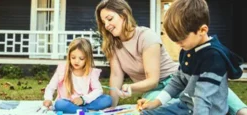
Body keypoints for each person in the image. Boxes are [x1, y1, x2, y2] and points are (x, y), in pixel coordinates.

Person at [95, 0, 247, 115]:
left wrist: (132, 88)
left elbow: (202, 95)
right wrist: (112, 108)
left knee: (210, 87)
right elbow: (116, 75)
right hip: (166, 91)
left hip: (176, 84)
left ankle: (241, 110)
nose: (106, 25)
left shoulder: (146, 36)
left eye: (109, 18)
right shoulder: (187, 49)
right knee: (166, 105)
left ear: (123, 15)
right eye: (103, 22)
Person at [42, 38, 112, 114]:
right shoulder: (63, 70)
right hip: (67, 102)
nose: (76, 61)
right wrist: (48, 99)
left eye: (81, 58)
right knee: (59, 104)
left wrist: (84, 99)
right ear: (69, 56)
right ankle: (83, 110)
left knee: (107, 99)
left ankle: (81, 109)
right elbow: (51, 87)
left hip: (86, 102)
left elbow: (98, 90)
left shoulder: (91, 72)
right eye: (73, 57)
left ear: (87, 59)